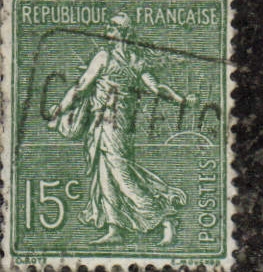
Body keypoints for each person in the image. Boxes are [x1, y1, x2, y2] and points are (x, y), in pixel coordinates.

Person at [46, 13, 195, 245]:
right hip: (104, 123)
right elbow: (82, 87)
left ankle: (165, 218)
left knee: (122, 176)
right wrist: (180, 99)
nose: (108, 28)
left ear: (124, 32)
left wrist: (180, 100)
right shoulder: (132, 60)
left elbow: (82, 87)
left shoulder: (107, 57)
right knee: (105, 174)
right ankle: (114, 228)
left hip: (113, 124)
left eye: (113, 26)